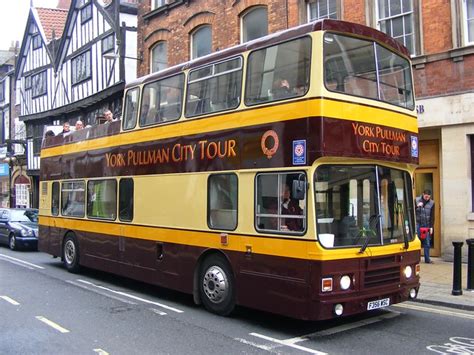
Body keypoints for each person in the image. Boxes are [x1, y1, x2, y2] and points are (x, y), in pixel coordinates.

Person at [415, 189, 435, 264]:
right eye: (426, 196)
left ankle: (427, 259)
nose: (427, 198)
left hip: (426, 225)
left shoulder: (432, 203)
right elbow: (411, 211)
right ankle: (417, 259)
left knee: (427, 242)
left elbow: (432, 216)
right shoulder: (416, 200)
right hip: (418, 223)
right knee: (417, 242)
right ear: (423, 194)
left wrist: (431, 227)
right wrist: (417, 206)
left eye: (428, 197)